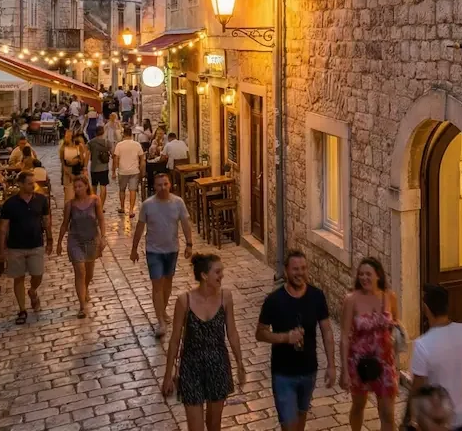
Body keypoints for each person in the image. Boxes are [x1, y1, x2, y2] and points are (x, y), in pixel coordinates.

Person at [162, 254, 248, 431]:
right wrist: (167, 375)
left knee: (214, 425)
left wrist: (240, 363)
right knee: (196, 428)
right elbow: (175, 340)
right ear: (204, 275)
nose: (222, 275)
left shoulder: (226, 297)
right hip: (191, 368)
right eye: (217, 272)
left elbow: (232, 332)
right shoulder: (184, 301)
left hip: (218, 366)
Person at [257, 250, 336, 431]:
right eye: (295, 269)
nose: (300, 273)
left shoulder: (317, 296)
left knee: (300, 421)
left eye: (303, 268)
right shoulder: (274, 300)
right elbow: (260, 333)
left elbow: (327, 331)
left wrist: (331, 365)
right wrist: (285, 337)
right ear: (286, 271)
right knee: (289, 425)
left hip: (309, 371)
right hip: (283, 373)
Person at [130, 171, 193, 337]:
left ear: (170, 184)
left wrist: (189, 244)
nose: (163, 187)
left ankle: (162, 310)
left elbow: (185, 224)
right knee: (157, 284)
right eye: (159, 185)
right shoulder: (148, 205)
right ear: (154, 186)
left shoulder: (178, 203)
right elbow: (140, 227)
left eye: (165, 184)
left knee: (167, 284)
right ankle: (160, 321)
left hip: (172, 249)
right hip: (153, 251)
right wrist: (134, 249)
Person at [341, 257, 400, 431]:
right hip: (358, 362)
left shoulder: (389, 297)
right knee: (358, 406)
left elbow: (395, 323)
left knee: (388, 413)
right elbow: (344, 336)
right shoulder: (351, 300)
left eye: (368, 274)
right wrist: (344, 371)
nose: (364, 278)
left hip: (385, 361)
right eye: (361, 274)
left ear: (378, 276)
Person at [410, 284, 462, 431]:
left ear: (426, 308)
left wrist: (410, 421)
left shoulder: (422, 345)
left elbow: (417, 391)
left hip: (436, 423)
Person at [0, 171, 52, 325]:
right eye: (29, 183)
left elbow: (46, 220)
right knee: (18, 278)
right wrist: (2, 249)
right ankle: (22, 310)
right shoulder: (10, 204)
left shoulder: (41, 200)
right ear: (20, 184)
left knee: (38, 274)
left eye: (33, 183)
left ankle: (33, 290)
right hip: (16, 246)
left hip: (36, 243)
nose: (33, 186)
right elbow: (3, 228)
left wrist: (50, 239)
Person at [56, 174, 106, 318]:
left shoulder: (95, 200)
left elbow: (101, 219)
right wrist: (59, 242)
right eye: (75, 187)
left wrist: (103, 237)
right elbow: (65, 224)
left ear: (86, 186)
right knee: (80, 271)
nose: (77, 189)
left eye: (80, 186)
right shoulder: (70, 205)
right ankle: (82, 306)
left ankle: (86, 288)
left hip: (91, 240)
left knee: (89, 273)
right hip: (75, 241)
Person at [114, 124, 146, 215]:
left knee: (122, 190)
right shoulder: (137, 145)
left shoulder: (119, 145)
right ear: (131, 134)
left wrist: (115, 169)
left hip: (122, 170)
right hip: (134, 171)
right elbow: (142, 159)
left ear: (123, 134)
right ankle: (131, 210)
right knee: (133, 190)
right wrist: (141, 170)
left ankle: (122, 207)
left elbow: (116, 158)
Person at [87, 125, 111, 206]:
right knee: (103, 187)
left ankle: (94, 205)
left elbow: (86, 152)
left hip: (94, 168)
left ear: (95, 133)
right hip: (104, 168)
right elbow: (112, 153)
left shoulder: (91, 142)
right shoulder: (107, 142)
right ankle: (101, 206)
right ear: (103, 132)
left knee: (94, 187)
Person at [59, 128, 83, 201]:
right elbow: (62, 162)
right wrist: (69, 174)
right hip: (67, 171)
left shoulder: (79, 146)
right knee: (68, 194)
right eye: (66, 136)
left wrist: (77, 160)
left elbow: (82, 160)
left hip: (77, 171)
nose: (67, 137)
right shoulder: (63, 148)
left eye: (69, 136)